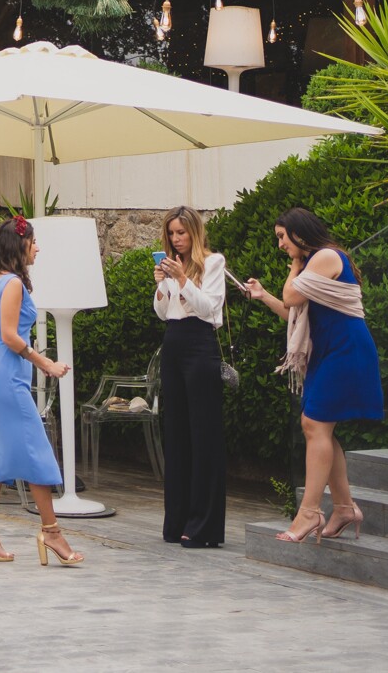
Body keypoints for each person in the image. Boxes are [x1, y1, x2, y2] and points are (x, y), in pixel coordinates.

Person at [245, 206, 383, 544]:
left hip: (345, 350)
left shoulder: (324, 257)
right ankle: (344, 508)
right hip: (330, 351)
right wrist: (263, 296)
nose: (279, 245)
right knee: (319, 426)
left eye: (282, 237)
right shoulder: (314, 263)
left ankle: (309, 512)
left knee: (314, 424)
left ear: (299, 233)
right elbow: (291, 310)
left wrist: (295, 264)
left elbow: (292, 295)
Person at [0, 217, 82, 566]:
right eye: (32, 241)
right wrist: (45, 363)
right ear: (19, 246)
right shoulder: (14, 283)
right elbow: (9, 335)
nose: (37, 247)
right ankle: (51, 533)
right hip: (5, 374)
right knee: (36, 450)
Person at [154, 205, 229, 548]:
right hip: (173, 342)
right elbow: (164, 312)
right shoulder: (172, 266)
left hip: (200, 344)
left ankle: (204, 525)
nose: (176, 239)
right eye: (171, 233)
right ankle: (178, 520)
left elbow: (209, 310)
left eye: (181, 233)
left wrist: (183, 279)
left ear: (194, 232)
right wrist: (163, 286)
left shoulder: (213, 263)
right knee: (176, 433)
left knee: (203, 433)